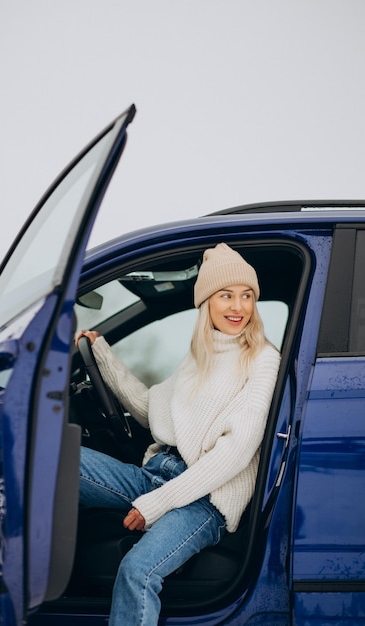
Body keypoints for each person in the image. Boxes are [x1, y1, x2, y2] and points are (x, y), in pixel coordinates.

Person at [75, 243, 281, 626]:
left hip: (206, 499)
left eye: (247, 296)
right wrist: (101, 354)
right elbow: (151, 410)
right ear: (206, 304)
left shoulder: (263, 359)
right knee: (52, 461)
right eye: (226, 296)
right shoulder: (198, 358)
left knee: (138, 572)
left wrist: (156, 504)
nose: (238, 307)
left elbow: (234, 454)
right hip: (159, 472)